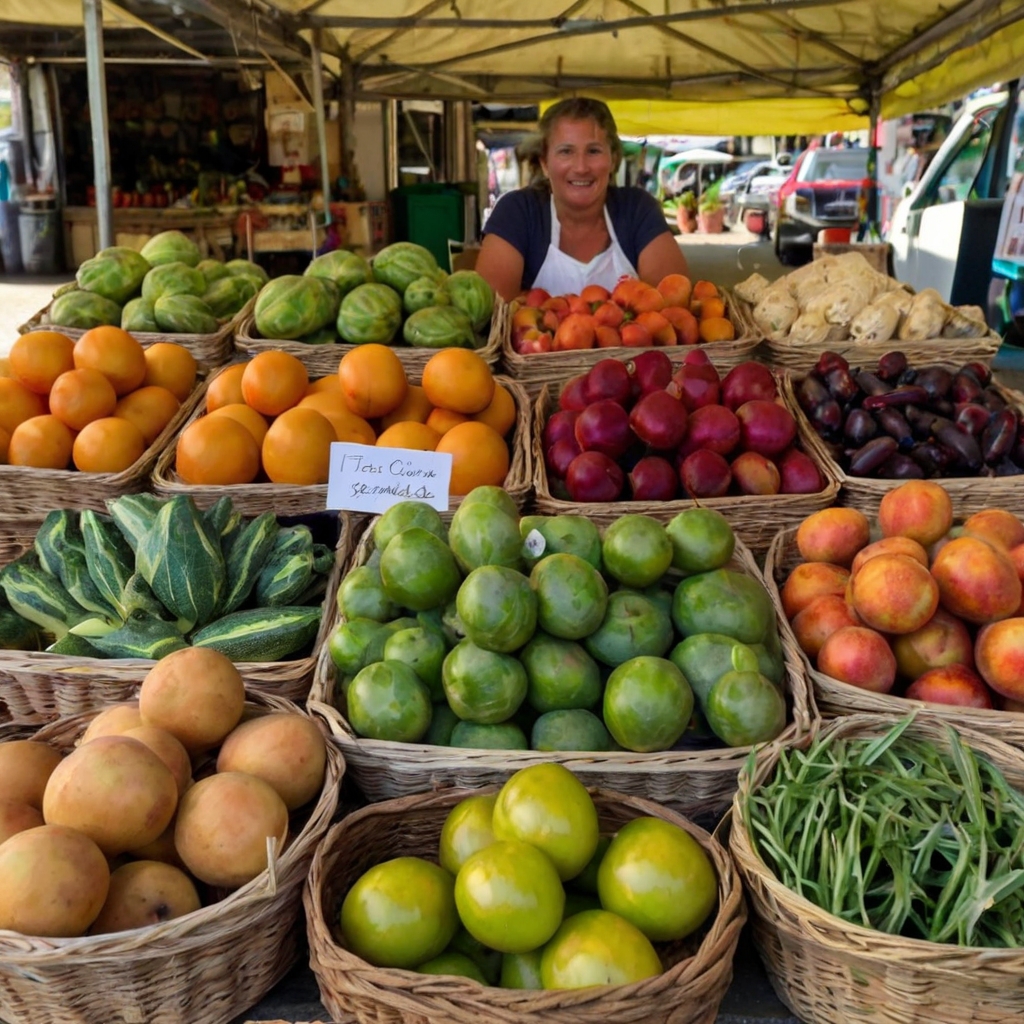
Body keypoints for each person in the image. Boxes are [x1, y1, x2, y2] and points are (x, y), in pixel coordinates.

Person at [474, 98, 689, 302]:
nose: (581, 167)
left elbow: (673, 307)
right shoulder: (518, 213)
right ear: (545, 163)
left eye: (593, 151)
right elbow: (494, 315)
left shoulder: (636, 210)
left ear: (613, 160)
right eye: (566, 151)